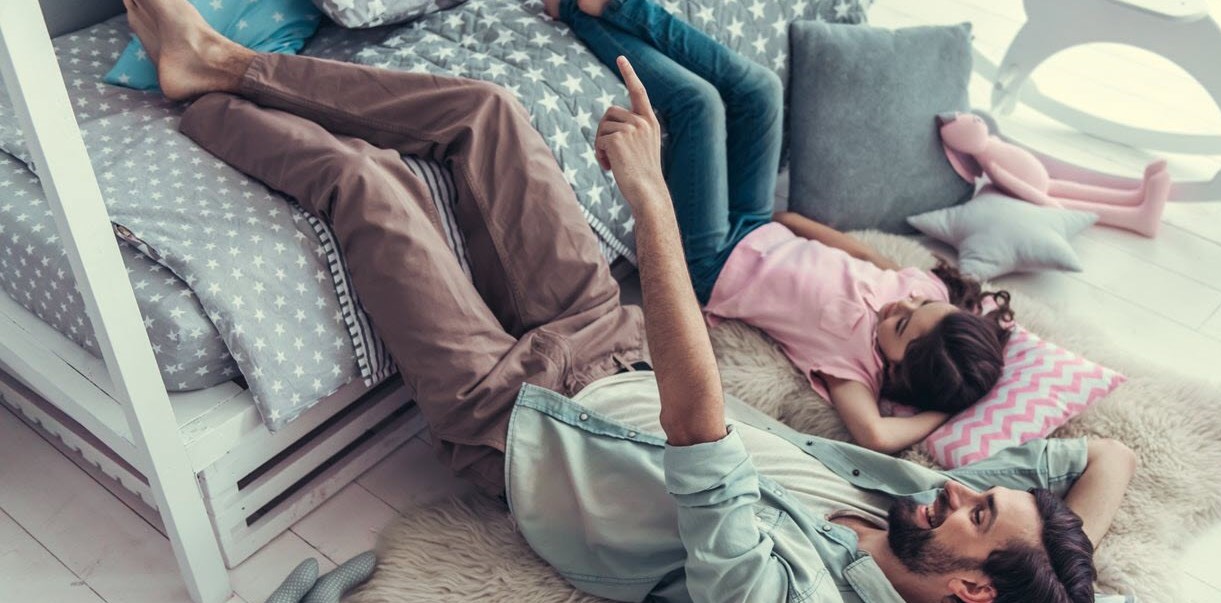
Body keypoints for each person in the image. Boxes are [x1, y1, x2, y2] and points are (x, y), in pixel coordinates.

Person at [124, 0, 1135, 601]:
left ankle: (199, 95)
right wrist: (1056, 573)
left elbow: (699, 434)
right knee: (490, 114)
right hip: (609, 347)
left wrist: (649, 199)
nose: (958, 489)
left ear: (969, 588)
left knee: (373, 192)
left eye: (977, 513)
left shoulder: (792, 593)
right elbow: (1104, 458)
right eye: (978, 494)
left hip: (514, 421)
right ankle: (226, 60)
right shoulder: (913, 509)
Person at [554, 0, 1015, 455]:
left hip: (715, 262)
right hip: (759, 225)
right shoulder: (926, 294)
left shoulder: (852, 367)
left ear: (900, 372)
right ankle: (620, 7)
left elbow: (875, 435)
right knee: (761, 91)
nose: (903, 303)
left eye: (902, 323)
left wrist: (942, 415)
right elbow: (867, 257)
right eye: (920, 302)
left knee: (701, 106)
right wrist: (796, 224)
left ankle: (575, 13)